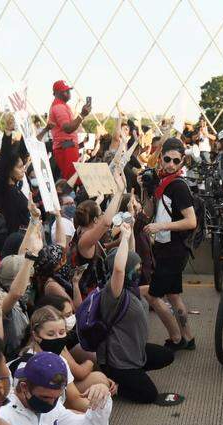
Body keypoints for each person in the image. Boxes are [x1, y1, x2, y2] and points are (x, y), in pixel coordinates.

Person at [95, 220, 175, 403]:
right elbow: (119, 268)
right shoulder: (112, 294)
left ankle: (135, 375)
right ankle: (118, 383)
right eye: (136, 269)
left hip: (134, 353)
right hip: (118, 363)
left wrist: (129, 233)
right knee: (149, 395)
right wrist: (123, 238)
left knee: (167, 355)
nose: (139, 271)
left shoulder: (129, 288)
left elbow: (131, 257)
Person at [143, 138, 198, 351]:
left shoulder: (177, 186)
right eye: (167, 159)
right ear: (160, 157)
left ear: (182, 161)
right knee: (174, 295)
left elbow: (191, 221)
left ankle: (176, 339)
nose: (171, 165)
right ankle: (189, 338)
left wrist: (161, 226)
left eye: (176, 161)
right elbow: (148, 213)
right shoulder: (162, 183)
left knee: (153, 295)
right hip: (169, 248)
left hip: (172, 250)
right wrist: (147, 189)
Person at [48, 80, 91, 182]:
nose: (68, 93)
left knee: (73, 179)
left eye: (69, 90)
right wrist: (82, 115)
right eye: (65, 91)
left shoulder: (62, 105)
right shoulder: (59, 107)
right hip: (66, 146)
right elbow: (67, 128)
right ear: (57, 93)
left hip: (67, 146)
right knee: (73, 180)